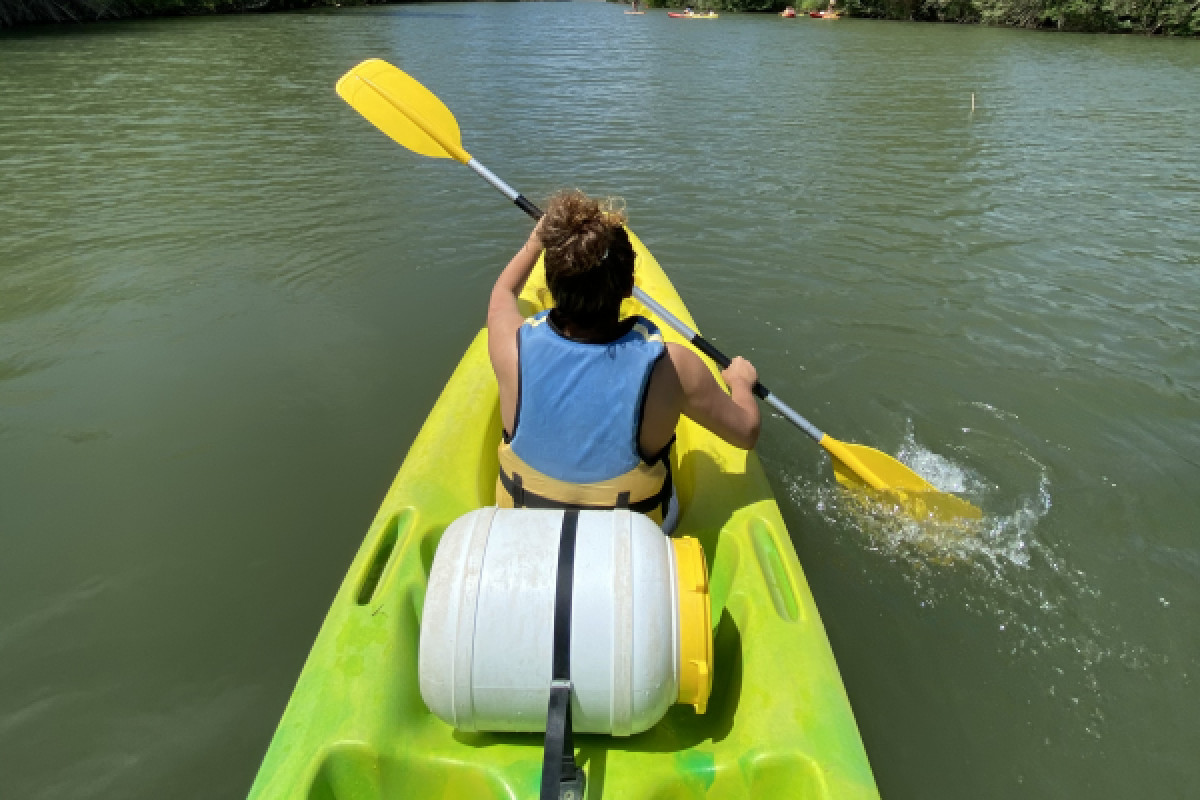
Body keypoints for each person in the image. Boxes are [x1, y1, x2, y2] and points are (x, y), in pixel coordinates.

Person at [487, 190, 760, 532]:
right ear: (630, 287)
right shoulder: (674, 368)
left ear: (551, 285)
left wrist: (536, 240)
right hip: (634, 543)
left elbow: (502, 296)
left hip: (522, 532)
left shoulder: (511, 347)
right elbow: (746, 433)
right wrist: (740, 383)